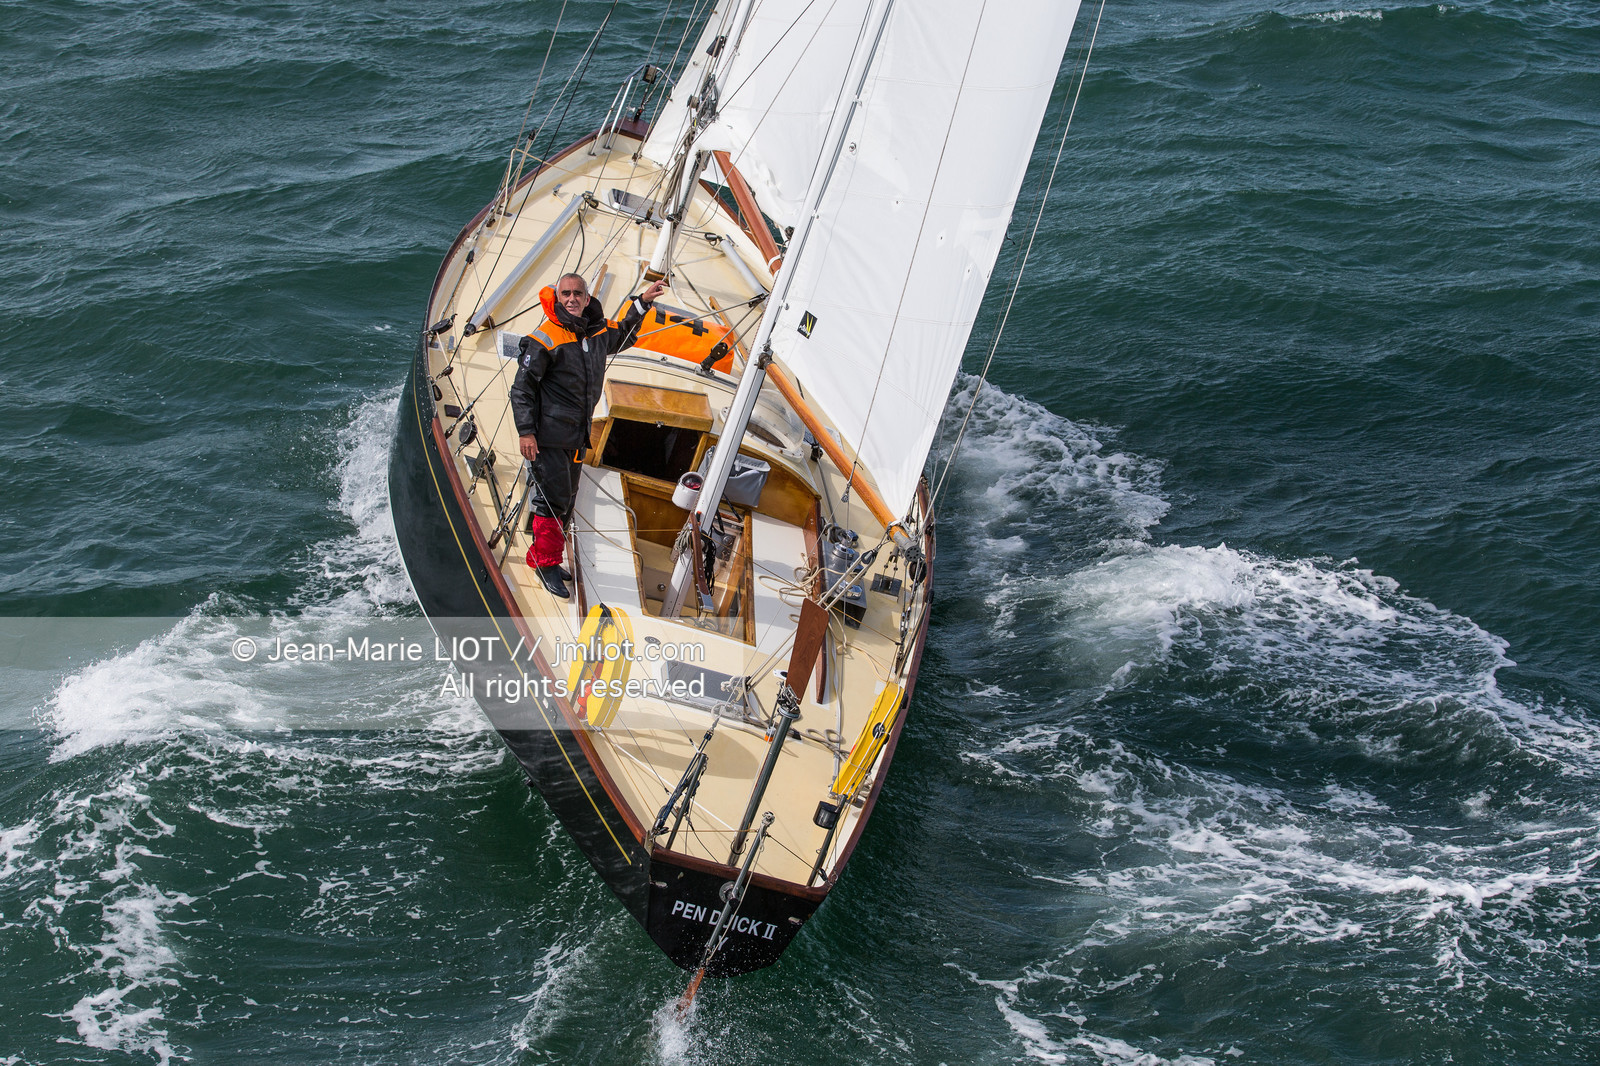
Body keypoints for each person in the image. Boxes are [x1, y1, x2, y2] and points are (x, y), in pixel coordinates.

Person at [510, 272, 667, 599]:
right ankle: (546, 565)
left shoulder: (596, 332)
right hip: (549, 437)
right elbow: (522, 390)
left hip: (577, 437)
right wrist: (526, 432)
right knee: (552, 502)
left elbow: (623, 336)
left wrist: (642, 303)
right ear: (558, 296)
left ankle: (543, 556)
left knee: (566, 499)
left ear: (586, 296)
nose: (571, 299)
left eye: (577, 293)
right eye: (565, 293)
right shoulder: (545, 339)